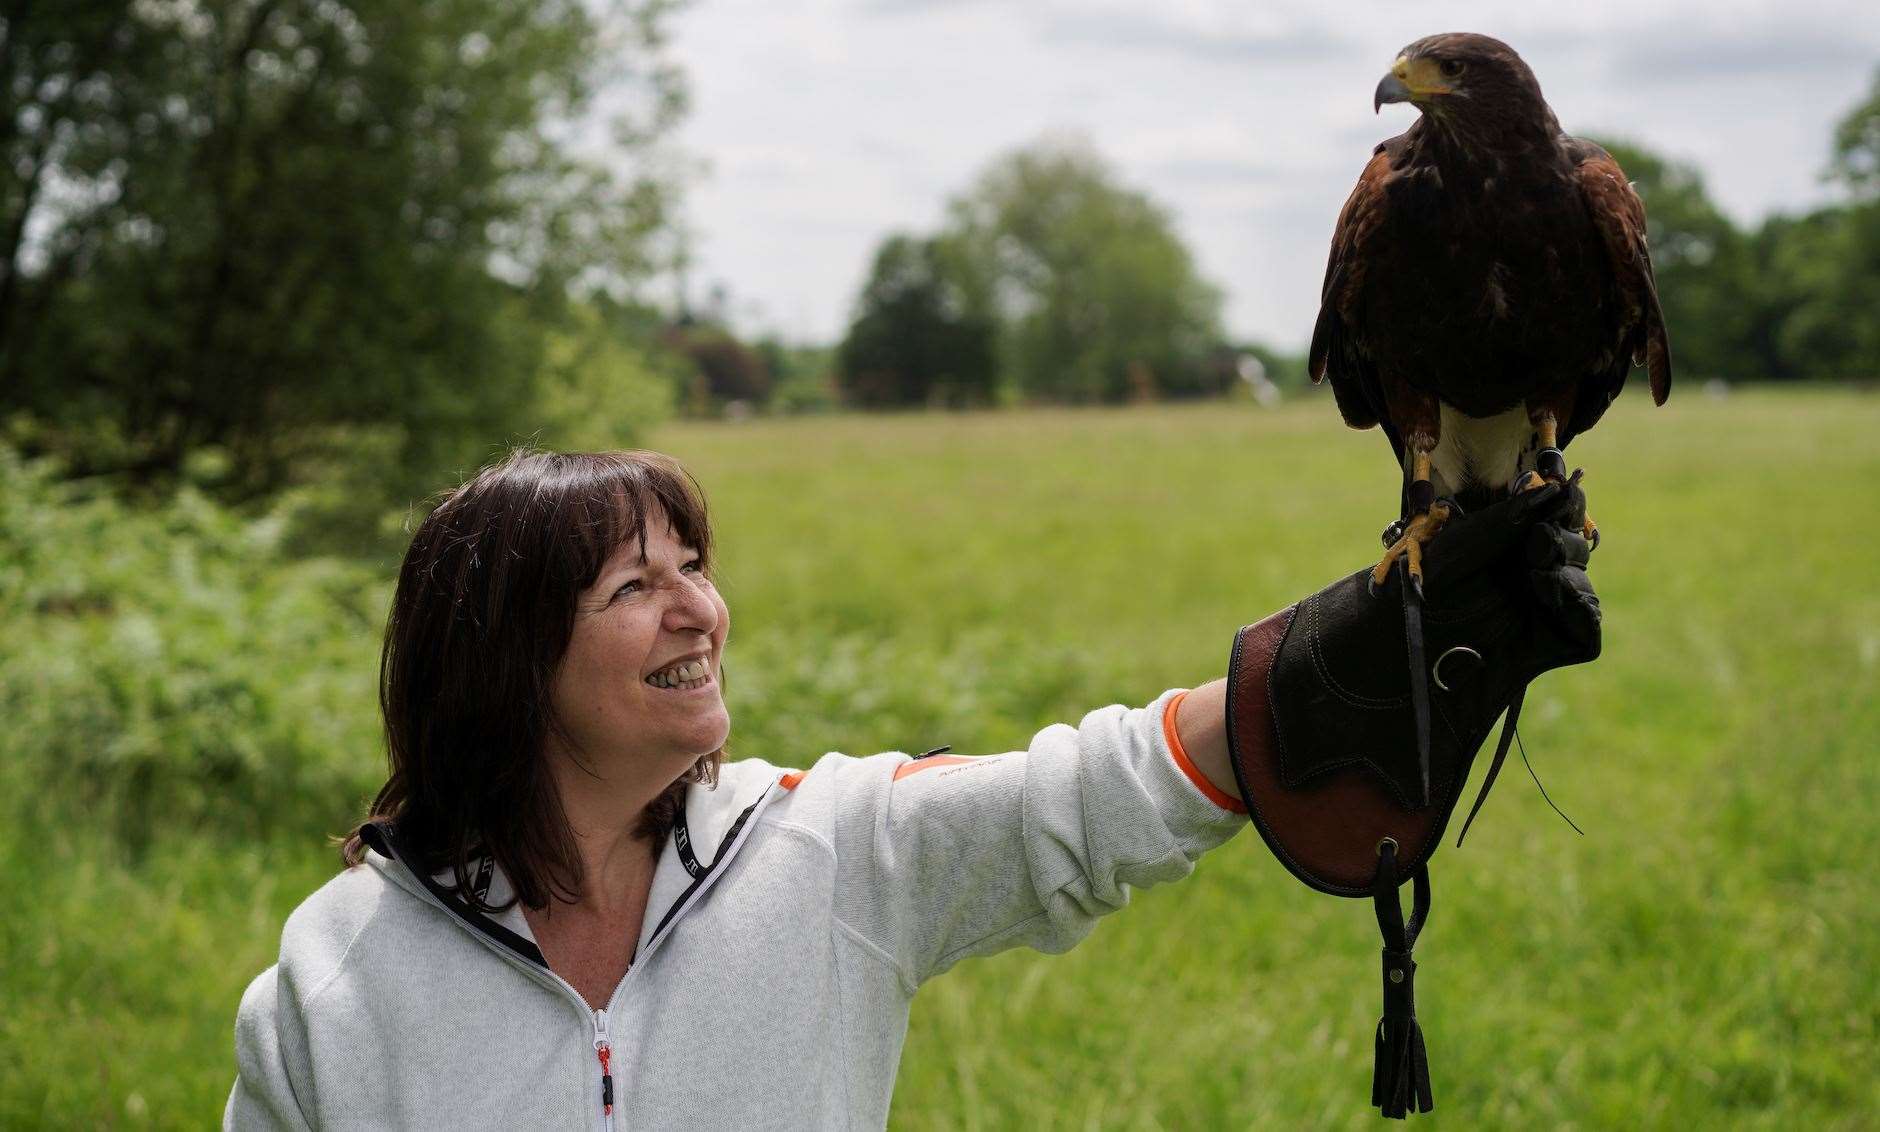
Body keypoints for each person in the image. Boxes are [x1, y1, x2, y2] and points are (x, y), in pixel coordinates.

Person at [225, 448, 1596, 1129]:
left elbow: (1085, 797)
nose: (698, 610)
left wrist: (1318, 677)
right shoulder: (335, 990)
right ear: (508, 664)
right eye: (634, 587)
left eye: (693, 565)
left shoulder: (826, 848)